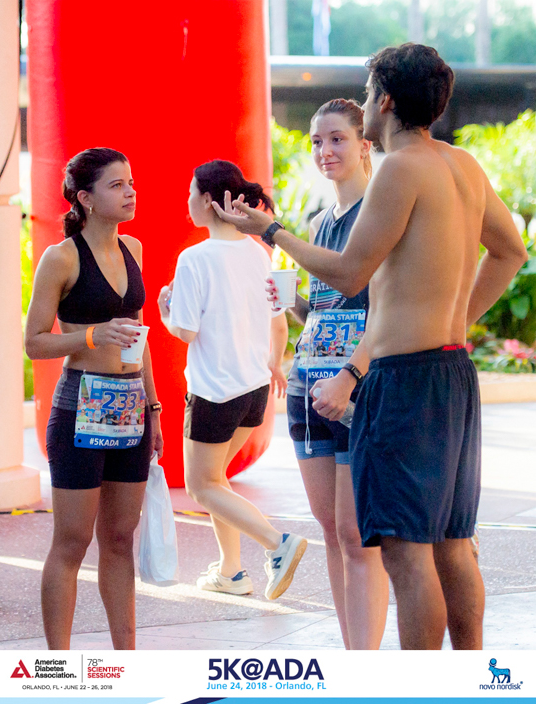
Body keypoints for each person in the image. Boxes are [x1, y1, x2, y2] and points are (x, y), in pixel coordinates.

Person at [212, 44, 528, 649]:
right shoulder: (461, 164)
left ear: (384, 100)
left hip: (405, 378)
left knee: (407, 552)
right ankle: (468, 678)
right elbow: (510, 251)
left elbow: (350, 272)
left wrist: (271, 231)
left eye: (366, 93)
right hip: (452, 371)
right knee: (452, 542)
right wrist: (457, 319)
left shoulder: (400, 169)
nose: (364, 104)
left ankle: (419, 687)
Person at [25, 147, 163, 650]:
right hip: (80, 404)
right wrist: (89, 335)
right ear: (85, 198)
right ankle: (58, 668)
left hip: (130, 408)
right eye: (117, 185)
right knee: (72, 542)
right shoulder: (61, 257)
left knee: (120, 539)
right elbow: (34, 341)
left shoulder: (135, 249)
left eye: (131, 182)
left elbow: (139, 337)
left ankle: (127, 660)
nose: (130, 192)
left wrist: (154, 407)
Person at [267, 99, 389, 650]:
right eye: (317, 141)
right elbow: (324, 312)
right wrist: (289, 301)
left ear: (365, 145)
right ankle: (349, 655)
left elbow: (387, 311)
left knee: (356, 535)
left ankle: (365, 667)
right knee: (333, 533)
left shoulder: (380, 213)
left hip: (356, 391)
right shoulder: (320, 222)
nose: (325, 151)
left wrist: (352, 377)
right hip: (307, 389)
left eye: (337, 139)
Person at [157, 160, 307, 600]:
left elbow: (185, 331)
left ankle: (278, 543)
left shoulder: (194, 258)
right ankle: (231, 572)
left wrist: (166, 311)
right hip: (254, 390)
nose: (187, 201)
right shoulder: (258, 253)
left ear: (207, 200)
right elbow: (277, 321)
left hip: (214, 393)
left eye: (190, 193)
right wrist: (274, 363)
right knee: (217, 480)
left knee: (202, 486)